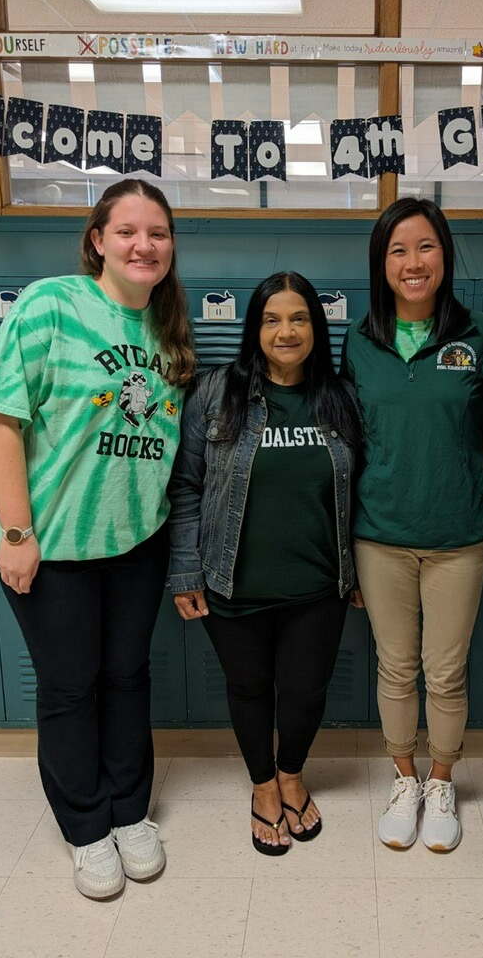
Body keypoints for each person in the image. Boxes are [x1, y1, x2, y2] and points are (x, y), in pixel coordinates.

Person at [0, 179, 196, 900]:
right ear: (98, 239)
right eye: (127, 231)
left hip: (137, 541)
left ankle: (131, 810)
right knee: (71, 690)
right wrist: (16, 533)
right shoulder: (51, 305)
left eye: (157, 233)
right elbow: (0, 419)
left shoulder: (167, 330)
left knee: (128, 678)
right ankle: (85, 826)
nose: (143, 245)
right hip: (55, 547)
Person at [168, 271, 362, 856]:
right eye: (272, 319)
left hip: (318, 582)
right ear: (254, 328)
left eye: (299, 318)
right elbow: (185, 487)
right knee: (249, 687)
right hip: (233, 580)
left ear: (316, 327)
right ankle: (263, 787)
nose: (286, 331)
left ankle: (293, 773)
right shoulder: (215, 392)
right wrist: (185, 571)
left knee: (305, 691)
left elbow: (367, 487)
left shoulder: (341, 396)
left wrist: (362, 569)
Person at [341, 197, 483, 851]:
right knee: (395, 667)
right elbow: (350, 437)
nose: (413, 263)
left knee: (444, 671)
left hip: (457, 538)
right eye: (398, 250)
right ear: (381, 264)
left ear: (444, 255)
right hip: (380, 534)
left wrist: (482, 460)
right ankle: (403, 777)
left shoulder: (480, 335)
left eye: (426, 247)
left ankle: (442, 782)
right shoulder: (359, 341)